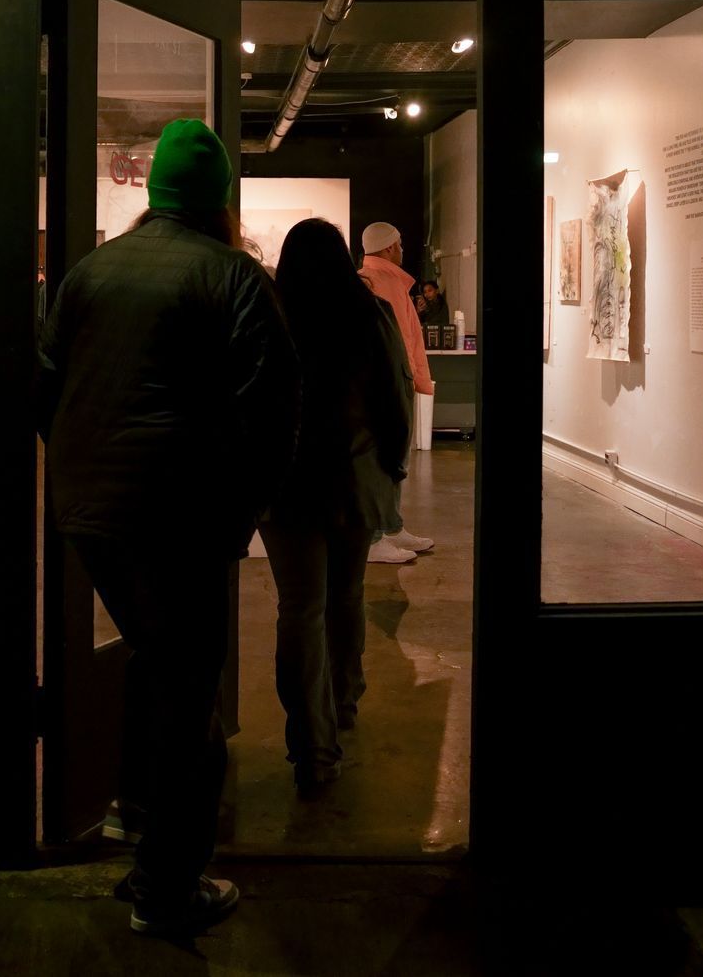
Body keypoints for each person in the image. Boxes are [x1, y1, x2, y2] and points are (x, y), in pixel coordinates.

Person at [37, 119, 298, 937]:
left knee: (152, 661)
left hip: (91, 511)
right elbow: (272, 414)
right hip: (180, 516)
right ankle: (168, 886)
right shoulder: (236, 277)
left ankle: (131, 816)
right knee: (190, 693)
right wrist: (241, 513)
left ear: (154, 196)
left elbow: (45, 385)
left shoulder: (90, 271)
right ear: (218, 196)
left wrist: (83, 470)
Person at [267, 218, 413, 794]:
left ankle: (310, 745)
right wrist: (394, 465)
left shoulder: (272, 316)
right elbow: (393, 396)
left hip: (286, 485)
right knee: (345, 595)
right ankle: (344, 698)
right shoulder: (366, 313)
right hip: (351, 479)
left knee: (298, 607)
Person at [357, 222, 437, 560]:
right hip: (389, 379)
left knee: (392, 456)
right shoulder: (381, 282)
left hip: (393, 377)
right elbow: (395, 340)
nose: (404, 249)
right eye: (400, 243)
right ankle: (376, 536)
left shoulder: (381, 280)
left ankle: (391, 526)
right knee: (383, 457)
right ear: (389, 248)